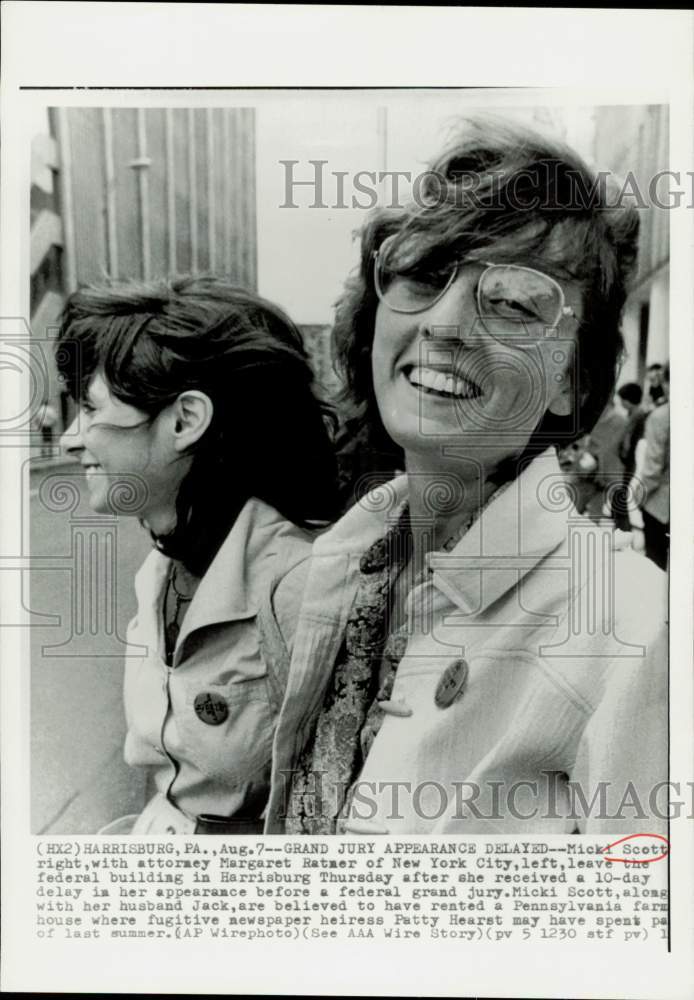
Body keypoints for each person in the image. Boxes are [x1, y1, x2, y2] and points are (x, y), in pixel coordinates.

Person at [264, 119, 668, 836]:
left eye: (515, 302)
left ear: (572, 379)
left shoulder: (632, 626)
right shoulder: (339, 563)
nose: (446, 323)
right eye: (424, 274)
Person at [57, 276, 339, 834]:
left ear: (185, 421)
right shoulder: (161, 567)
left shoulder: (303, 588)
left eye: (90, 410)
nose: (70, 438)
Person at [638, 363, 669, 570]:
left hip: (662, 504)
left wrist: (639, 494)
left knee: (655, 566)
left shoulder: (661, 416)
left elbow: (653, 468)